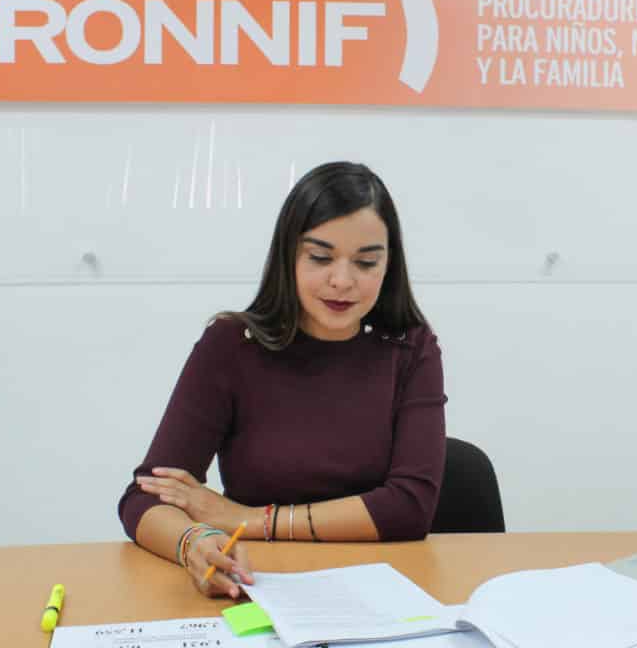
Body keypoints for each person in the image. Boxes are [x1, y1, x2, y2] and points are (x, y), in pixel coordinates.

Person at [117, 161, 447, 599]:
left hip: (381, 587)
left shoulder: (409, 347)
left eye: (366, 262)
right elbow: (146, 497)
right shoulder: (231, 345)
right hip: (261, 583)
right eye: (320, 258)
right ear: (288, 255)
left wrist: (250, 520)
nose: (342, 281)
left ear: (389, 264)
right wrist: (193, 541)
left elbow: (410, 507)